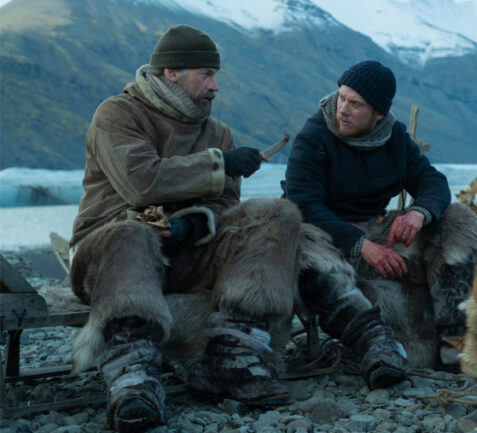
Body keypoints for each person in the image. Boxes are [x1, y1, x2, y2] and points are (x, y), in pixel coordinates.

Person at [69, 27, 409, 433]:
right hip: (109, 254)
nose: (215, 86)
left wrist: (189, 225)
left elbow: (223, 208)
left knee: (279, 214)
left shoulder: (217, 131)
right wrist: (220, 165)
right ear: (170, 73)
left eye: (216, 75)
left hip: (184, 253)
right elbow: (140, 181)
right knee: (131, 233)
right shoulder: (118, 114)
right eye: (205, 74)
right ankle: (133, 379)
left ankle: (233, 356)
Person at [284, 60, 477, 370]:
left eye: (355, 104)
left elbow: (433, 182)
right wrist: (361, 244)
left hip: (377, 228)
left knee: (458, 219)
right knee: (307, 238)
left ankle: (457, 337)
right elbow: (303, 205)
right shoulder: (314, 136)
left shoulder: (393, 137)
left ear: (378, 113)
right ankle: (376, 343)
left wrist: (419, 213)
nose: (342, 109)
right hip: (322, 237)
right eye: (341, 97)